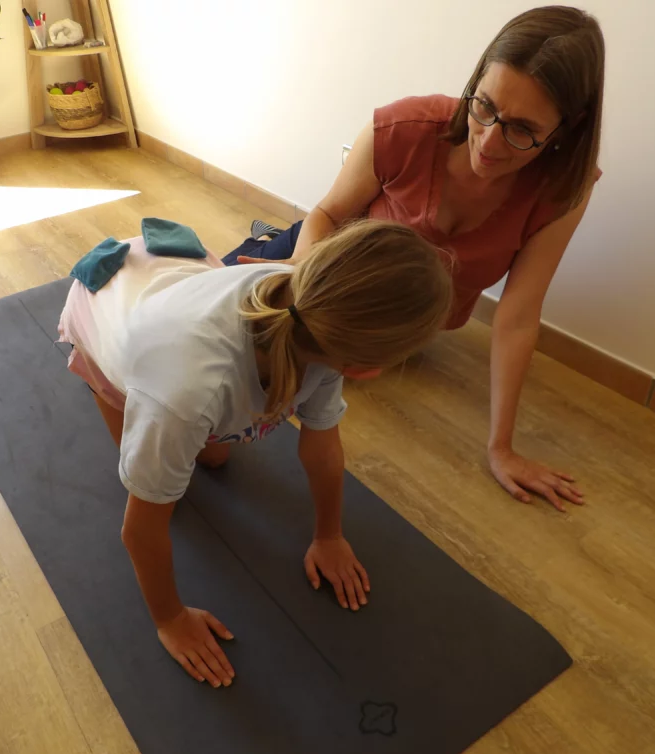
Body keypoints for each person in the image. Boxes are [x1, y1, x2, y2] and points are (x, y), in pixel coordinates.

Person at [224, 6, 604, 513]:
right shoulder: (404, 126)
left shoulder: (563, 190)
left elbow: (517, 317)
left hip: (392, 322)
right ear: (474, 82)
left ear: (567, 127)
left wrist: (501, 448)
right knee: (214, 321)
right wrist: (300, 293)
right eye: (484, 107)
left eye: (521, 129)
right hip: (321, 274)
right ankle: (261, 251)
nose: (488, 141)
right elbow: (328, 214)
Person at [58, 219, 453, 687]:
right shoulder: (185, 393)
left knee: (215, 458)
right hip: (110, 308)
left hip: (172, 297)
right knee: (160, 479)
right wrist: (170, 619)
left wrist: (329, 535)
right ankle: (108, 394)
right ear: (369, 370)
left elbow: (322, 443)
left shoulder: (314, 319)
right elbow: (140, 532)